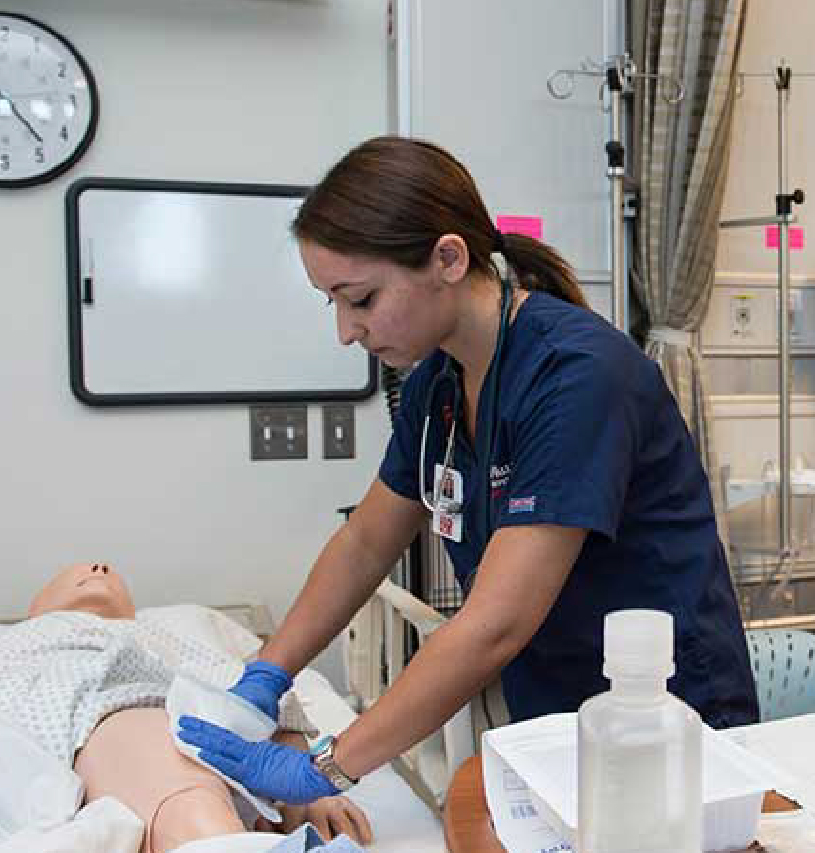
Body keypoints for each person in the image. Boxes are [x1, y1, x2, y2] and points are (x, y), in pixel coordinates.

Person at [178, 136, 757, 809]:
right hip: (555, 709)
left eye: (360, 299)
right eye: (330, 302)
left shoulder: (577, 378)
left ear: (448, 259)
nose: (344, 331)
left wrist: (328, 769)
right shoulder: (437, 389)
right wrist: (267, 672)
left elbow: (494, 623)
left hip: (668, 716)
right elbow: (364, 544)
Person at [0, 562, 369, 853]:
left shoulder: (165, 639)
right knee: (190, 815)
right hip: (100, 728)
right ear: (34, 609)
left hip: (192, 740)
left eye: (110, 573)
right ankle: (212, 851)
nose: (99, 567)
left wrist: (307, 780)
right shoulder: (16, 643)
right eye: (75, 572)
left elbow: (261, 700)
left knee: (199, 818)